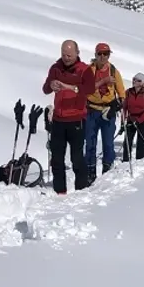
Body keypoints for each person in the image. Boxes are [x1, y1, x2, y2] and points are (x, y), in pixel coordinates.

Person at [42, 40, 96, 194]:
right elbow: (45, 89)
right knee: (57, 158)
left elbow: (90, 89)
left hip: (77, 119)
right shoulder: (55, 68)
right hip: (59, 119)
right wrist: (51, 85)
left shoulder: (84, 70)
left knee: (76, 158)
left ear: (77, 53)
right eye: (64, 54)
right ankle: (60, 192)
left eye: (69, 55)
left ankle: (81, 191)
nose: (66, 58)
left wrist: (72, 87)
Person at [84, 42, 124, 181]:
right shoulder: (89, 70)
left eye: (105, 54)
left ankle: (107, 171)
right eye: (100, 54)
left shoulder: (114, 71)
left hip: (108, 111)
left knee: (108, 143)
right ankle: (90, 172)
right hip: (91, 110)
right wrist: (105, 81)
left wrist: (119, 104)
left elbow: (121, 91)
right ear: (95, 55)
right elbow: (86, 88)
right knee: (90, 143)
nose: (103, 57)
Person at [122, 73, 144, 161]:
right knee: (127, 141)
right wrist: (123, 120)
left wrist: (139, 120)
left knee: (141, 142)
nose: (135, 82)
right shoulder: (128, 92)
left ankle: (139, 161)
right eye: (134, 79)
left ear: (142, 82)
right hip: (131, 119)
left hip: (143, 120)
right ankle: (126, 160)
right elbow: (124, 107)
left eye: (138, 80)